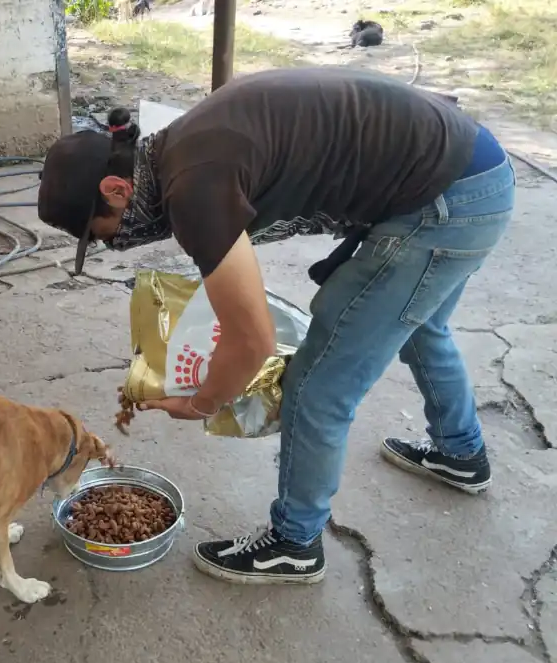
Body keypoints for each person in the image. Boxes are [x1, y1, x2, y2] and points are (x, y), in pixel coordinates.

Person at [36, 67, 513, 586]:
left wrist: (201, 403)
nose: (111, 244)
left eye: (98, 233)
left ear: (115, 188)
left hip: (443, 202)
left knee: (317, 383)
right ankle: (461, 453)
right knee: (418, 323)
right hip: (471, 167)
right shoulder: (174, 144)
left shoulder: (194, 187)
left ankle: (293, 543)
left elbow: (253, 338)